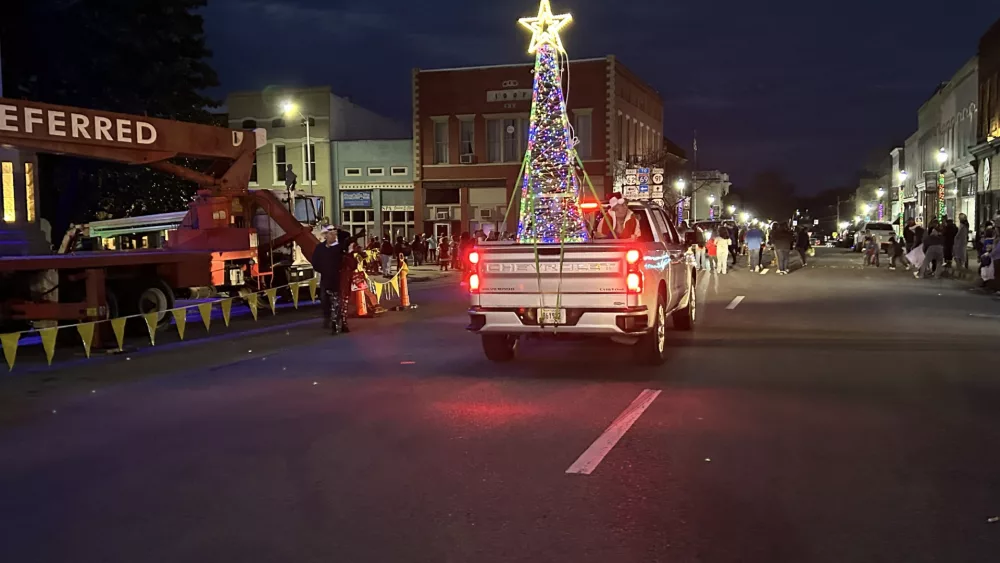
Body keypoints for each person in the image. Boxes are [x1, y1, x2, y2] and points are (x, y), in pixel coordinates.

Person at [311, 226, 360, 332]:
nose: (333, 236)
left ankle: (341, 322)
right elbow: (315, 262)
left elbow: (351, 264)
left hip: (340, 279)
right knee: (325, 300)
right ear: (325, 236)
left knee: (340, 301)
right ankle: (328, 318)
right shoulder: (320, 248)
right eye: (331, 234)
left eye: (335, 234)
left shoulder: (340, 248)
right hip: (326, 278)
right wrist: (323, 270)